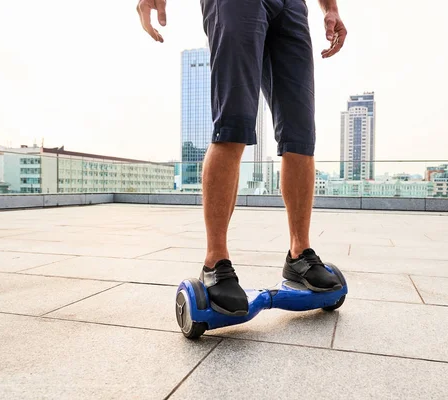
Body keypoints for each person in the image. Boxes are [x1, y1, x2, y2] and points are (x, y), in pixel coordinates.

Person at [137, 0, 347, 316]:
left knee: (300, 136)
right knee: (233, 123)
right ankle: (215, 262)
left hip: (291, 6)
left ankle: (299, 254)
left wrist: (330, 8)